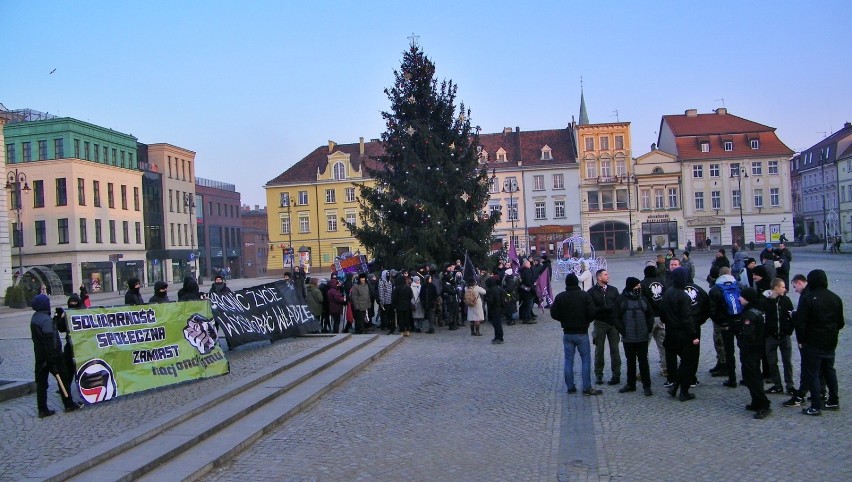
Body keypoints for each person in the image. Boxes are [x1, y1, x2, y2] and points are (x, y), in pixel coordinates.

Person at [795, 269, 843, 416]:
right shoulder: (835, 298)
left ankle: (816, 405)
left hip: (813, 342)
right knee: (829, 371)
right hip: (830, 341)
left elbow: (800, 323)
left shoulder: (808, 298)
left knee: (813, 373)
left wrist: (801, 340)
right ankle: (833, 400)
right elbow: (840, 323)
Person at [551, 273, 601, 395]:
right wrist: (586, 321)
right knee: (585, 360)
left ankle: (570, 386)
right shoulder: (584, 296)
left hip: (567, 333)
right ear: (577, 283)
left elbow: (554, 313)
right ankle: (587, 387)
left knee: (568, 360)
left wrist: (563, 320)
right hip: (581, 332)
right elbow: (592, 312)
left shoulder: (560, 297)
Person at [30, 294, 79, 418]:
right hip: (53, 356)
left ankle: (42, 409)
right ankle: (68, 404)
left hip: (40, 357)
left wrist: (56, 318)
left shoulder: (35, 318)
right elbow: (51, 341)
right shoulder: (46, 320)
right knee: (63, 378)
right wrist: (53, 359)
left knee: (41, 383)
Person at [659, 267, 699, 401]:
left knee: (682, 363)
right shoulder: (684, 296)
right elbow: (687, 318)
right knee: (687, 363)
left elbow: (662, 314)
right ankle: (684, 392)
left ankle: (675, 386)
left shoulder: (668, 292)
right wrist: (694, 335)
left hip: (670, 332)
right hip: (683, 334)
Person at [733, 287, 772, 419]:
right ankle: (756, 401)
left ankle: (763, 404)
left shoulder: (749, 314)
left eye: (741, 297)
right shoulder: (759, 310)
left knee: (751, 376)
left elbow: (747, 334)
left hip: (750, 350)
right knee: (753, 375)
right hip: (758, 348)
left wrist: (740, 341)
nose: (739, 299)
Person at [615, 277, 654, 396]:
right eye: (637, 286)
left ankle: (647, 386)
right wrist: (623, 331)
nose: (639, 288)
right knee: (630, 361)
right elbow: (615, 317)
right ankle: (630, 384)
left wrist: (648, 328)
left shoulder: (643, 299)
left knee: (643, 361)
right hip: (628, 337)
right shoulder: (621, 299)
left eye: (639, 286)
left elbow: (650, 315)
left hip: (642, 336)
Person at [708, 267, 742, 387]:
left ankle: (731, 379)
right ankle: (747, 375)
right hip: (739, 322)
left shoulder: (715, 289)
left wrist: (720, 322)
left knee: (728, 351)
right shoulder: (738, 285)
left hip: (724, 325)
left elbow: (711, 310)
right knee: (743, 349)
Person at [588, 269, 621, 386]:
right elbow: (591, 309)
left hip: (612, 324)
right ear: (599, 277)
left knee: (615, 350)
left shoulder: (613, 290)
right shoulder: (591, 292)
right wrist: (604, 310)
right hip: (599, 323)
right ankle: (598, 375)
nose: (608, 276)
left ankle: (616, 375)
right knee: (599, 350)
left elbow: (619, 306)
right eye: (606, 275)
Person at [762, 278, 795, 395]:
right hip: (771, 337)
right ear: (776, 288)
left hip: (784, 336)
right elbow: (762, 319)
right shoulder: (765, 302)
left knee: (787, 362)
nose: (785, 289)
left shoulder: (786, 300)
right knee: (772, 362)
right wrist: (767, 333)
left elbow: (792, 317)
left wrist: (789, 331)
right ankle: (777, 385)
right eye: (783, 287)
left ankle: (790, 385)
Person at [640, 265, 667, 377]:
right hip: (661, 316)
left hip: (649, 318)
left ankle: (643, 372)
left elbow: (641, 301)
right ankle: (666, 368)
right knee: (663, 344)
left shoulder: (642, 284)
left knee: (644, 345)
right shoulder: (663, 282)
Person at [484, 276, 506, 344]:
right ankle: (497, 337)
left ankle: (499, 337)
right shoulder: (499, 288)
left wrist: (486, 298)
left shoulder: (490, 290)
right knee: (497, 323)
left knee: (496, 324)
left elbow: (491, 301)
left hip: (494, 308)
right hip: (500, 307)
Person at [518, 260, 536, 324]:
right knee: (529, 305)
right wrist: (533, 287)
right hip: (528, 291)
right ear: (526, 264)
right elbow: (528, 282)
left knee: (525, 304)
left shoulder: (522, 271)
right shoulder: (527, 271)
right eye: (529, 264)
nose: (530, 265)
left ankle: (524, 317)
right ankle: (528, 318)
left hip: (523, 290)